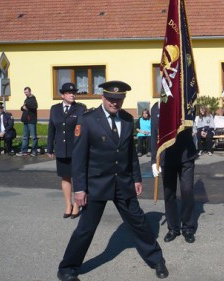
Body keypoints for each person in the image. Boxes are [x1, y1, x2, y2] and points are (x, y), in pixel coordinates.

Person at [57, 81, 168, 281]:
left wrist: (136, 177)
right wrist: (79, 189)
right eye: (111, 99)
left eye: (119, 99)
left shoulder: (126, 119)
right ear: (103, 98)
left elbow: (130, 152)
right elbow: (79, 158)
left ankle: (156, 259)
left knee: (139, 222)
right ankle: (67, 268)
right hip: (96, 184)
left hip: (123, 182)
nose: (115, 103)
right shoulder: (88, 120)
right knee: (86, 229)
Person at [151, 101, 198, 244]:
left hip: (185, 156)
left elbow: (190, 126)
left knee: (187, 191)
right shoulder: (156, 107)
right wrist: (154, 159)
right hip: (166, 157)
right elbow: (154, 133)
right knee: (169, 194)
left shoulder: (186, 103)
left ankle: (188, 227)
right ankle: (173, 228)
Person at [47, 83, 86, 219]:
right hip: (61, 149)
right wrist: (50, 147)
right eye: (69, 93)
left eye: (74, 92)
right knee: (65, 177)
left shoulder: (80, 108)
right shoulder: (55, 109)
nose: (72, 94)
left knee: (77, 177)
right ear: (62, 95)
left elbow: (82, 129)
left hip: (76, 149)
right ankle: (68, 204)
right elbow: (51, 128)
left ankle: (77, 204)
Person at [17, 86, 38, 156]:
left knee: (34, 137)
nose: (25, 93)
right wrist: (23, 108)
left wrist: (26, 106)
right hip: (26, 121)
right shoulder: (27, 99)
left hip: (31, 121)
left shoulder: (33, 99)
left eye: (26, 92)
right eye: (25, 92)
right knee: (25, 137)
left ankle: (34, 151)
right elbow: (23, 107)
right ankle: (24, 151)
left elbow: (35, 106)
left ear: (30, 91)